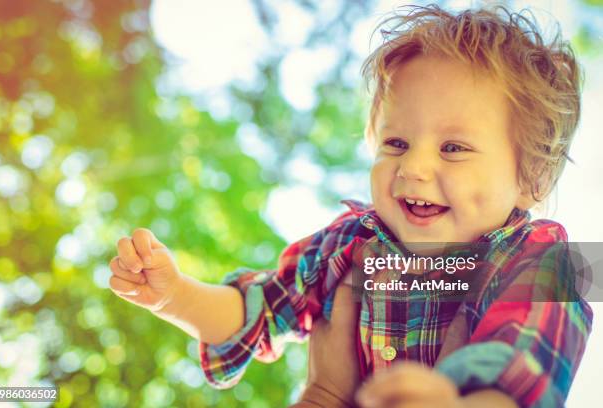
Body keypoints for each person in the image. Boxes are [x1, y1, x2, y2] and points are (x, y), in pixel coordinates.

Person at [108, 4, 593, 407]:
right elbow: (258, 309)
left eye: (453, 148)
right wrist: (177, 297)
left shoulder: (542, 258)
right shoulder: (349, 243)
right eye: (396, 143)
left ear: (533, 178)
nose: (412, 169)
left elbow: (525, 361)